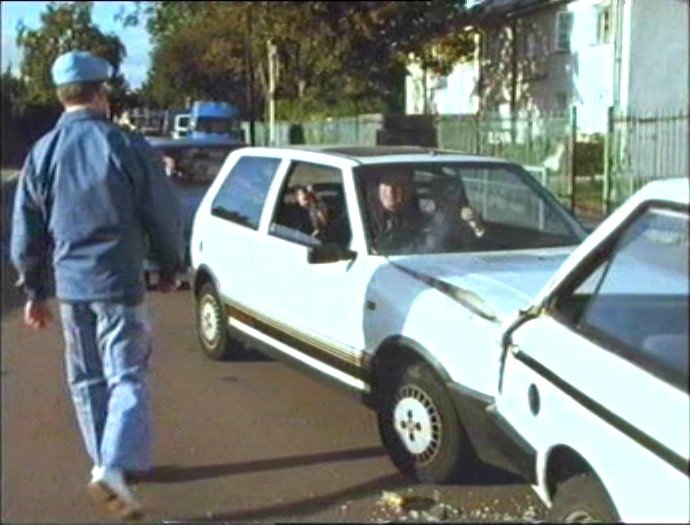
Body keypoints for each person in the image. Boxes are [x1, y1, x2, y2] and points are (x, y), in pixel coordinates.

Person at [10, 51, 185, 520]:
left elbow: (26, 230)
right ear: (101, 93)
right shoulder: (125, 146)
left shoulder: (43, 152)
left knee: (86, 379)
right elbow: (161, 214)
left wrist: (33, 291)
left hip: (71, 287)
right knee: (126, 375)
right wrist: (171, 265)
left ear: (62, 97)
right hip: (119, 282)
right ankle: (112, 465)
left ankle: (105, 464)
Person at [370, 170, 427, 252]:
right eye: (386, 184)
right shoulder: (363, 215)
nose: (390, 191)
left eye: (398, 185)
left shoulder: (424, 219)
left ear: (410, 190)